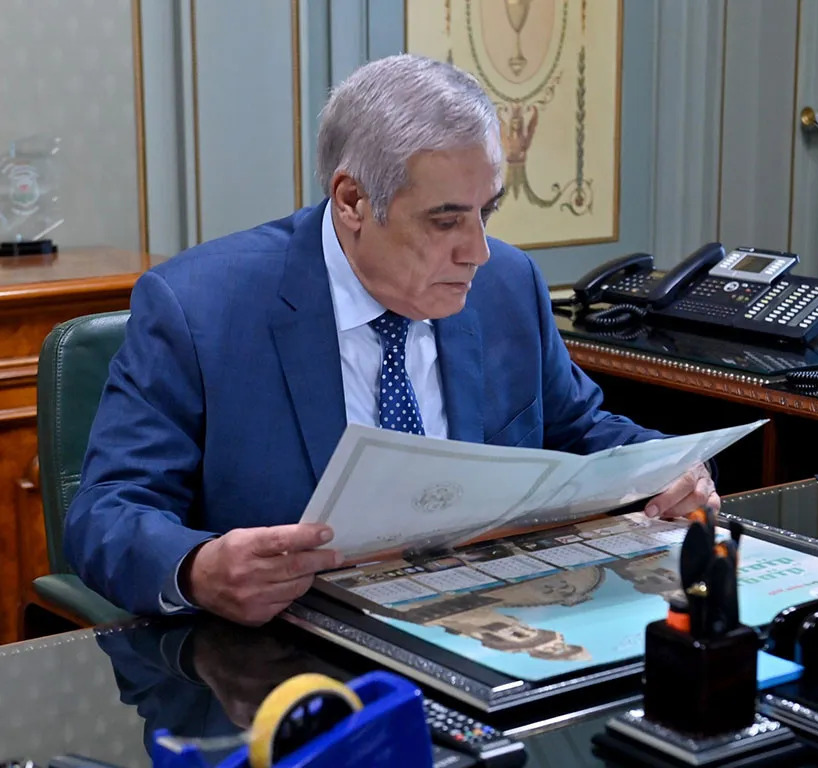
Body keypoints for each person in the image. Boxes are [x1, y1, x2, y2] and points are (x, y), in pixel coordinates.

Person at [64, 54, 719, 626]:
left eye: (486, 211)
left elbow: (582, 431)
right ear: (352, 200)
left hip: (490, 626)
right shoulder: (199, 308)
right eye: (445, 221)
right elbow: (107, 512)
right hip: (291, 660)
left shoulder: (507, 285)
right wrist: (197, 568)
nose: (477, 251)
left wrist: (669, 472)